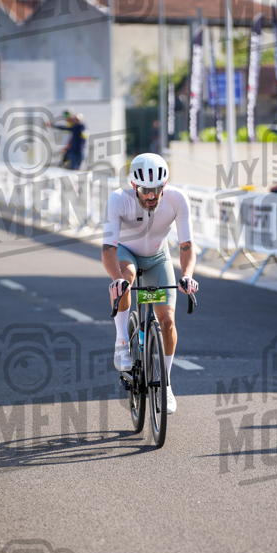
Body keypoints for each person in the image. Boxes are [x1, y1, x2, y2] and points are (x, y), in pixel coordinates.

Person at [102, 152, 198, 415]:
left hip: (158, 257)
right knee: (127, 279)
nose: (152, 196)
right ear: (134, 186)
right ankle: (122, 340)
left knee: (167, 322)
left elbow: (187, 245)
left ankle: (165, 384)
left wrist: (187, 274)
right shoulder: (118, 200)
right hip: (125, 253)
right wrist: (117, 279)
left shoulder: (178, 199)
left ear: (164, 186)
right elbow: (108, 248)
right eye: (146, 190)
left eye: (157, 189)